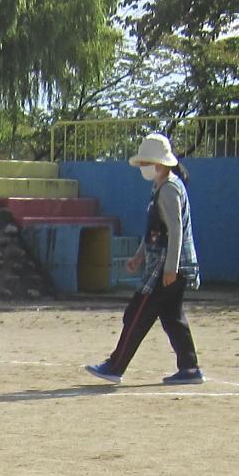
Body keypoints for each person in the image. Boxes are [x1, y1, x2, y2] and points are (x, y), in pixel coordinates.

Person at [86, 132, 203, 386]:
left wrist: (171, 268)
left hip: (165, 267)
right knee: (172, 317)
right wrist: (139, 256)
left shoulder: (169, 190)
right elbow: (155, 230)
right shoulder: (161, 188)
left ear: (158, 163)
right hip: (164, 265)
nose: (142, 167)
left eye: (145, 163)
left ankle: (115, 366)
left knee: (137, 314)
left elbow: (175, 232)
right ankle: (190, 368)